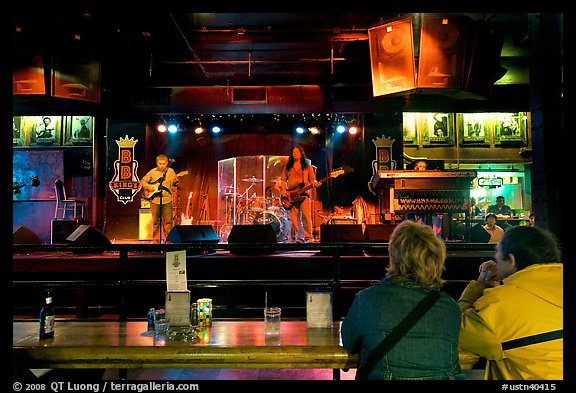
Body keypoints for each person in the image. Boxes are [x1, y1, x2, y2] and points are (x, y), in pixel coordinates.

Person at [341, 220, 465, 380]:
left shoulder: (367, 300)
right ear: (436, 259)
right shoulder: (450, 307)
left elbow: (349, 342)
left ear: (393, 256)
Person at [458, 225, 563, 380]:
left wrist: (480, 285)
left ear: (512, 260)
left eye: (497, 254)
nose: (495, 260)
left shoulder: (498, 305)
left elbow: (457, 331)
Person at [280, 145, 319, 243]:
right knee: (294, 219)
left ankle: (309, 238)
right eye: (293, 153)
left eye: (297, 152)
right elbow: (283, 180)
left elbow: (313, 179)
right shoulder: (288, 167)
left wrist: (315, 183)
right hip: (291, 195)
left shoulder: (307, 167)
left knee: (306, 216)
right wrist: (284, 191)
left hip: (304, 195)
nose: (295, 154)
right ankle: (298, 239)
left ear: (301, 154)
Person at [141, 154, 179, 243]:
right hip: (155, 200)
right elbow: (143, 181)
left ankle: (169, 241)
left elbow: (174, 184)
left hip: (167, 200)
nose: (162, 165)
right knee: (155, 223)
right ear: (157, 163)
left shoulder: (171, 171)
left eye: (164, 164)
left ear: (166, 163)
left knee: (168, 222)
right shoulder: (152, 172)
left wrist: (175, 182)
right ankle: (156, 241)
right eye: (160, 163)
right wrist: (150, 187)